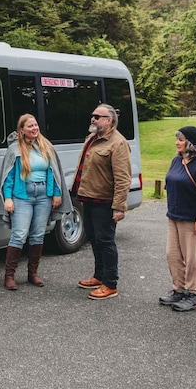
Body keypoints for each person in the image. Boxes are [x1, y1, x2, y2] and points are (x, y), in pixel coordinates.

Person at [0, 114, 72, 290]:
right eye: (30, 126)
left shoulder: (46, 146)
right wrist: (8, 198)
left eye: (35, 125)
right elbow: (8, 176)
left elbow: (54, 172)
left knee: (38, 234)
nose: (34, 128)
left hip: (44, 195)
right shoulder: (15, 150)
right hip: (23, 196)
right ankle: (9, 276)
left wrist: (57, 193)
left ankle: (33, 273)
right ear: (22, 130)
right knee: (19, 234)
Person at [73, 104, 132, 300]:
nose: (93, 119)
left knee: (106, 242)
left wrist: (119, 207)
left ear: (109, 120)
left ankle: (110, 284)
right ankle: (99, 276)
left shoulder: (118, 143)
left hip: (104, 201)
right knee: (94, 240)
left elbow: (123, 178)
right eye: (92, 115)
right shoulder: (92, 138)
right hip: (88, 198)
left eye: (98, 116)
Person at [160, 126, 196, 312]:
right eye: (177, 139)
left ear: (191, 143)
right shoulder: (177, 161)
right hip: (173, 216)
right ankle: (179, 290)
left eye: (181, 140)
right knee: (172, 255)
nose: (177, 142)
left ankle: (192, 295)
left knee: (192, 258)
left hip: (192, 219)